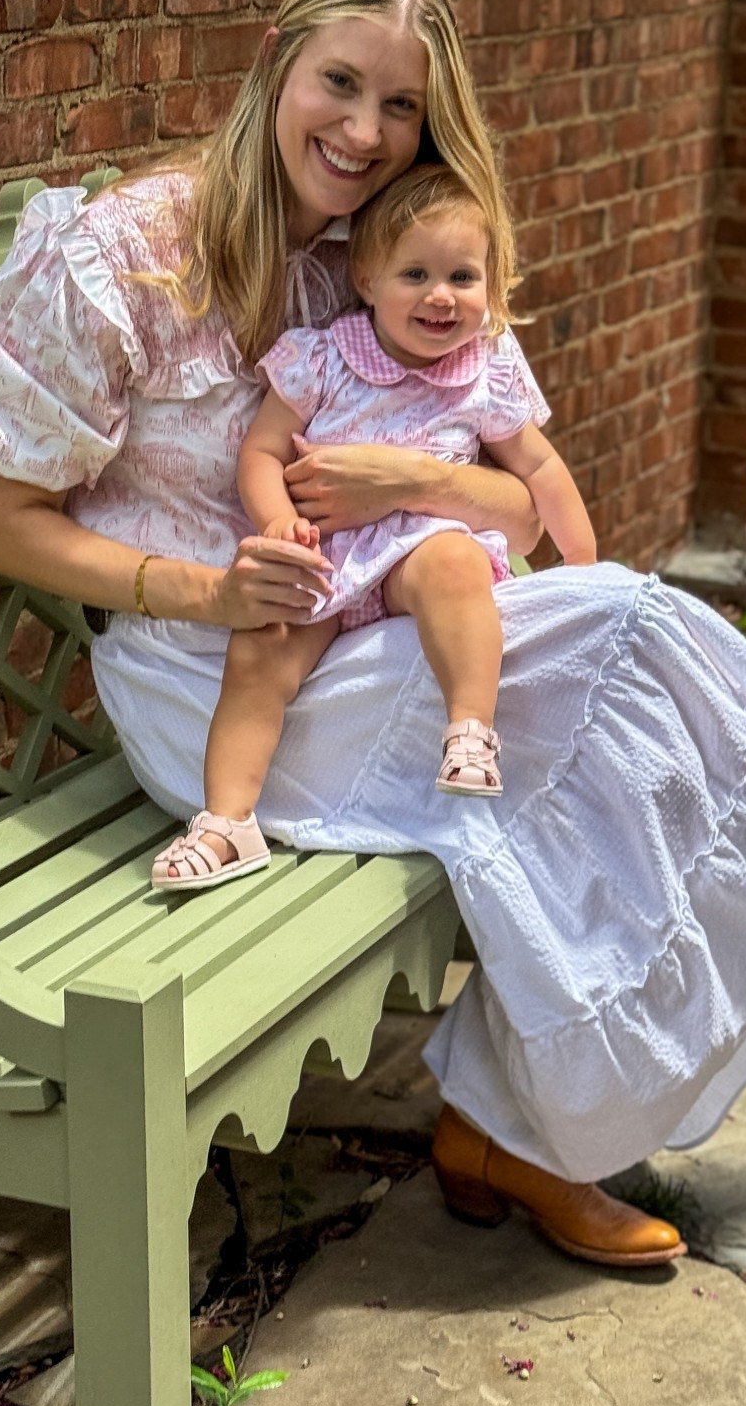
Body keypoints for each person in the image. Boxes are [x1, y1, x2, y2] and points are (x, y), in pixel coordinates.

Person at [0, 0, 746, 1271]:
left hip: (371, 633)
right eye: (340, 84)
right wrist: (210, 583)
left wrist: (409, 476)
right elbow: (4, 524)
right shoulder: (124, 259)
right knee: (619, 671)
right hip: (222, 691)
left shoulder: (362, 261)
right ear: (274, 65)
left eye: (401, 106)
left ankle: (545, 1117)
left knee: (624, 674)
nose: (366, 132)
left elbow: (503, 506)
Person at [149, 165, 596, 891]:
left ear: (492, 283)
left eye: (462, 275)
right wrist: (280, 522)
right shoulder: (324, 356)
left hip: (423, 543)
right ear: (367, 278)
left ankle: (471, 731)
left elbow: (539, 471)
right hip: (331, 553)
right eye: (415, 274)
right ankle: (229, 820)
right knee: (261, 646)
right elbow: (261, 451)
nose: (441, 296)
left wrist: (583, 565)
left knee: (453, 569)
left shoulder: (486, 370)